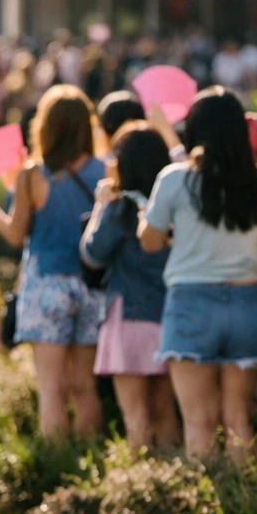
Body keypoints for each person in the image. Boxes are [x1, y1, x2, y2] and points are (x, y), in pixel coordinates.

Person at [139, 87, 257, 461]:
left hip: (191, 302)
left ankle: (208, 510)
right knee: (239, 418)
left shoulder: (174, 180)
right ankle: (247, 504)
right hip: (246, 302)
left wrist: (163, 230)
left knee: (198, 421)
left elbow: (149, 241)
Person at [0, 85, 105, 438]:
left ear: (44, 126)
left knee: (51, 389)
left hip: (47, 284)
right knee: (84, 386)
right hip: (92, 286)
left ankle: (57, 465)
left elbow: (16, 235)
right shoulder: (106, 169)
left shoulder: (32, 174)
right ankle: (91, 456)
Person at [80, 124, 179, 449]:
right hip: (167, 316)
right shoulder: (173, 206)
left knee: (135, 417)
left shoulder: (120, 207)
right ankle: (175, 480)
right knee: (166, 412)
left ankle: (140, 486)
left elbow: (92, 256)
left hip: (127, 319)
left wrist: (99, 205)